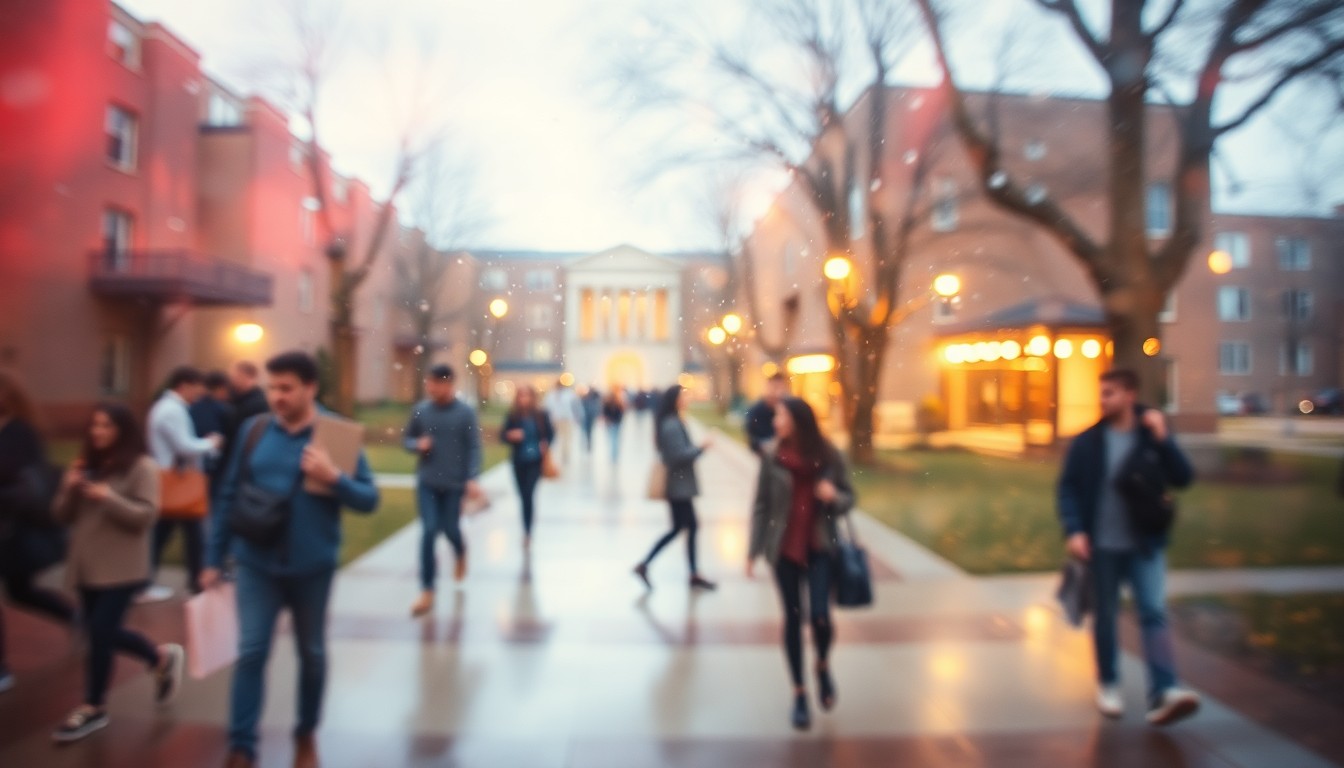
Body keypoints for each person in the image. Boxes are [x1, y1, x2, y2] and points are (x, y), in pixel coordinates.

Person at [203, 351, 379, 768]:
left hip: (311, 567)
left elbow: (369, 499)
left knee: (311, 654)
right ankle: (241, 747)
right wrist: (213, 557)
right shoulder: (254, 431)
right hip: (255, 563)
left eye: (287, 388)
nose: (277, 397)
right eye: (272, 388)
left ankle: (305, 733)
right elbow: (228, 494)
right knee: (251, 651)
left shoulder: (335, 435)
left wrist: (334, 478)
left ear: (310, 388)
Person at [1058, 369, 1200, 727]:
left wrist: (1164, 438)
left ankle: (1165, 690)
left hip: (1144, 544)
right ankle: (1108, 683)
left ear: (1130, 395)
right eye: (1101, 392)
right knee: (1105, 615)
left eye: (1110, 393)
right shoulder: (1088, 441)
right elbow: (1068, 488)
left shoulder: (1152, 436)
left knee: (1153, 612)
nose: (1102, 399)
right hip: (1102, 546)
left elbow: (1183, 477)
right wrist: (1075, 530)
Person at [50, 403, 185, 743]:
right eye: (94, 425)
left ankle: (94, 706)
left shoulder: (142, 466)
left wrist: (108, 497)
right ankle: (159, 657)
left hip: (122, 568)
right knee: (99, 631)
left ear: (122, 430)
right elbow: (61, 515)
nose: (97, 432)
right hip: (87, 566)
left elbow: (146, 516)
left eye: (106, 426)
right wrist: (69, 486)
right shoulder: (87, 465)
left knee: (100, 632)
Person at [747, 397, 855, 731]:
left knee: (821, 617)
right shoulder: (771, 455)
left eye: (780, 415)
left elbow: (849, 497)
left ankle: (821, 664)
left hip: (820, 547)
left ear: (797, 420)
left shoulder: (828, 454)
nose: (775, 420)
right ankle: (799, 693)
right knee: (793, 620)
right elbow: (761, 504)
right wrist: (753, 550)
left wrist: (833, 497)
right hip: (784, 551)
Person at [0, 371, 75, 693]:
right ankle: (76, 618)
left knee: (19, 591)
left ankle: (2, 670)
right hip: (8, 527)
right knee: (20, 591)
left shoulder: (20, 432)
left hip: (15, 530)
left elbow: (24, 485)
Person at [404, 365, 482, 618]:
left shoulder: (465, 413)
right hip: (427, 482)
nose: (430, 387)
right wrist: (417, 444)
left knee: (450, 529)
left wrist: (472, 477)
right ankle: (427, 589)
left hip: (454, 485)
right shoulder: (421, 411)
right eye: (428, 382)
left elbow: (474, 447)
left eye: (435, 383)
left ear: (449, 384)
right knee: (428, 531)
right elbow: (407, 440)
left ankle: (460, 551)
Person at [145, 367, 223, 600]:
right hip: (177, 480)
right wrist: (211, 443)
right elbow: (184, 446)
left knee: (172, 533)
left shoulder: (167, 407)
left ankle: (193, 581)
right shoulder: (172, 410)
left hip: (173, 480)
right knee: (182, 533)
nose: (199, 393)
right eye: (196, 387)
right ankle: (193, 582)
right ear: (184, 385)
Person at [633, 385, 716, 592]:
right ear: (675, 400)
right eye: (683, 396)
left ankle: (691, 572)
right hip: (677, 487)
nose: (687, 399)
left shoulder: (673, 421)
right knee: (681, 528)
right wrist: (701, 448)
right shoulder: (671, 425)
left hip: (680, 486)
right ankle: (646, 564)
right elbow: (677, 456)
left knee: (687, 527)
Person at [501, 385, 554, 551]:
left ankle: (527, 531)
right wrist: (511, 436)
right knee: (523, 495)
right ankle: (526, 527)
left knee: (528, 495)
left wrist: (545, 444)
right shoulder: (513, 416)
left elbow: (551, 434)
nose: (524, 399)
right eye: (521, 396)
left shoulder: (540, 415)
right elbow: (503, 435)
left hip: (535, 461)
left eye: (527, 395)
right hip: (519, 461)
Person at [192, 371, 237, 486]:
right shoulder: (224, 410)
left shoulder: (193, 407)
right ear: (221, 388)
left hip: (194, 461)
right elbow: (231, 438)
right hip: (217, 464)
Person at [746, 372, 790, 454]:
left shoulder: (789, 410)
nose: (778, 392)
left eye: (781, 388)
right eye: (775, 387)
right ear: (768, 387)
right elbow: (753, 440)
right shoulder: (757, 411)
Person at [542, 380, 582, 467]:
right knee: (556, 438)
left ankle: (565, 455)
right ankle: (556, 454)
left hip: (567, 419)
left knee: (567, 438)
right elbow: (546, 408)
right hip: (555, 420)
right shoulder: (551, 395)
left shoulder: (569, 394)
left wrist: (577, 416)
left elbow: (575, 406)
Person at [228, 361, 269, 439]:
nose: (232, 380)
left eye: (237, 376)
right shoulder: (234, 399)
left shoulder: (258, 404)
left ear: (250, 377)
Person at [601, 386, 626, 465]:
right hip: (615, 423)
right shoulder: (618, 403)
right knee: (615, 439)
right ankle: (614, 455)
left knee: (612, 439)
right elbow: (621, 414)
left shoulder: (608, 403)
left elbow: (605, 414)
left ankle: (613, 455)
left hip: (612, 423)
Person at [580, 386, 602, 453]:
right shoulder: (587, 398)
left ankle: (587, 443)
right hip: (587, 417)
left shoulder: (593, 398)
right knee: (587, 431)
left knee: (588, 431)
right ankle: (586, 443)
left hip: (589, 417)